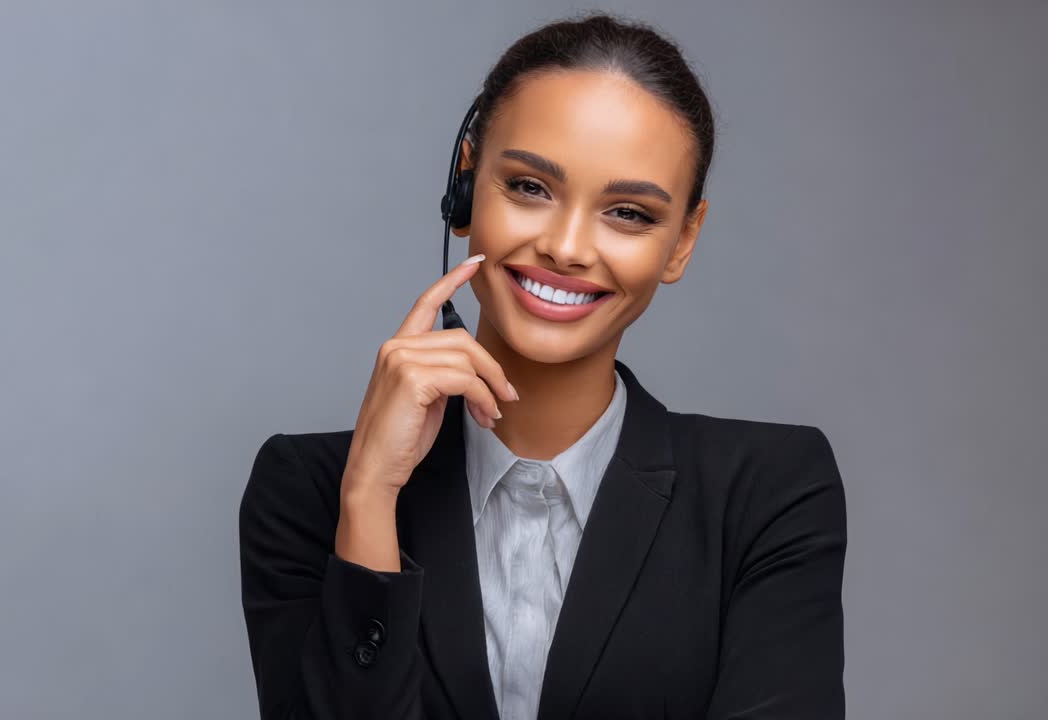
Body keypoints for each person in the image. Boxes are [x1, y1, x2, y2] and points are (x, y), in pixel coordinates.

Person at [239, 11, 847, 720]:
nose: (566, 246)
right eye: (530, 187)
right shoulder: (309, 494)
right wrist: (370, 497)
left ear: (682, 241)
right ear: (465, 189)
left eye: (628, 213)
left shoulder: (769, 494)